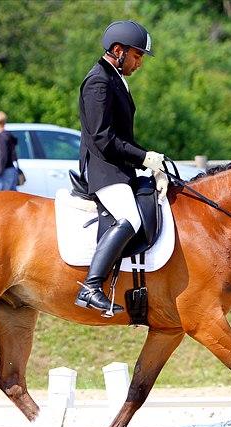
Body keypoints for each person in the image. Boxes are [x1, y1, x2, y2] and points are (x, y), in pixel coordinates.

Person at [75, 20, 169, 315]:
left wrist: (144, 164)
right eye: (137, 55)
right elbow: (103, 138)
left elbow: (121, 135)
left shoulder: (114, 78)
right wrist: (143, 157)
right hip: (102, 169)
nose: (140, 63)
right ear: (118, 50)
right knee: (129, 217)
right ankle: (91, 287)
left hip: (117, 167)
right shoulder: (98, 82)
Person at [0, 111, 18, 192]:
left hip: (4, 171)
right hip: (11, 169)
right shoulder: (9, 135)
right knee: (11, 197)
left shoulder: (0, 136)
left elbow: (3, 155)